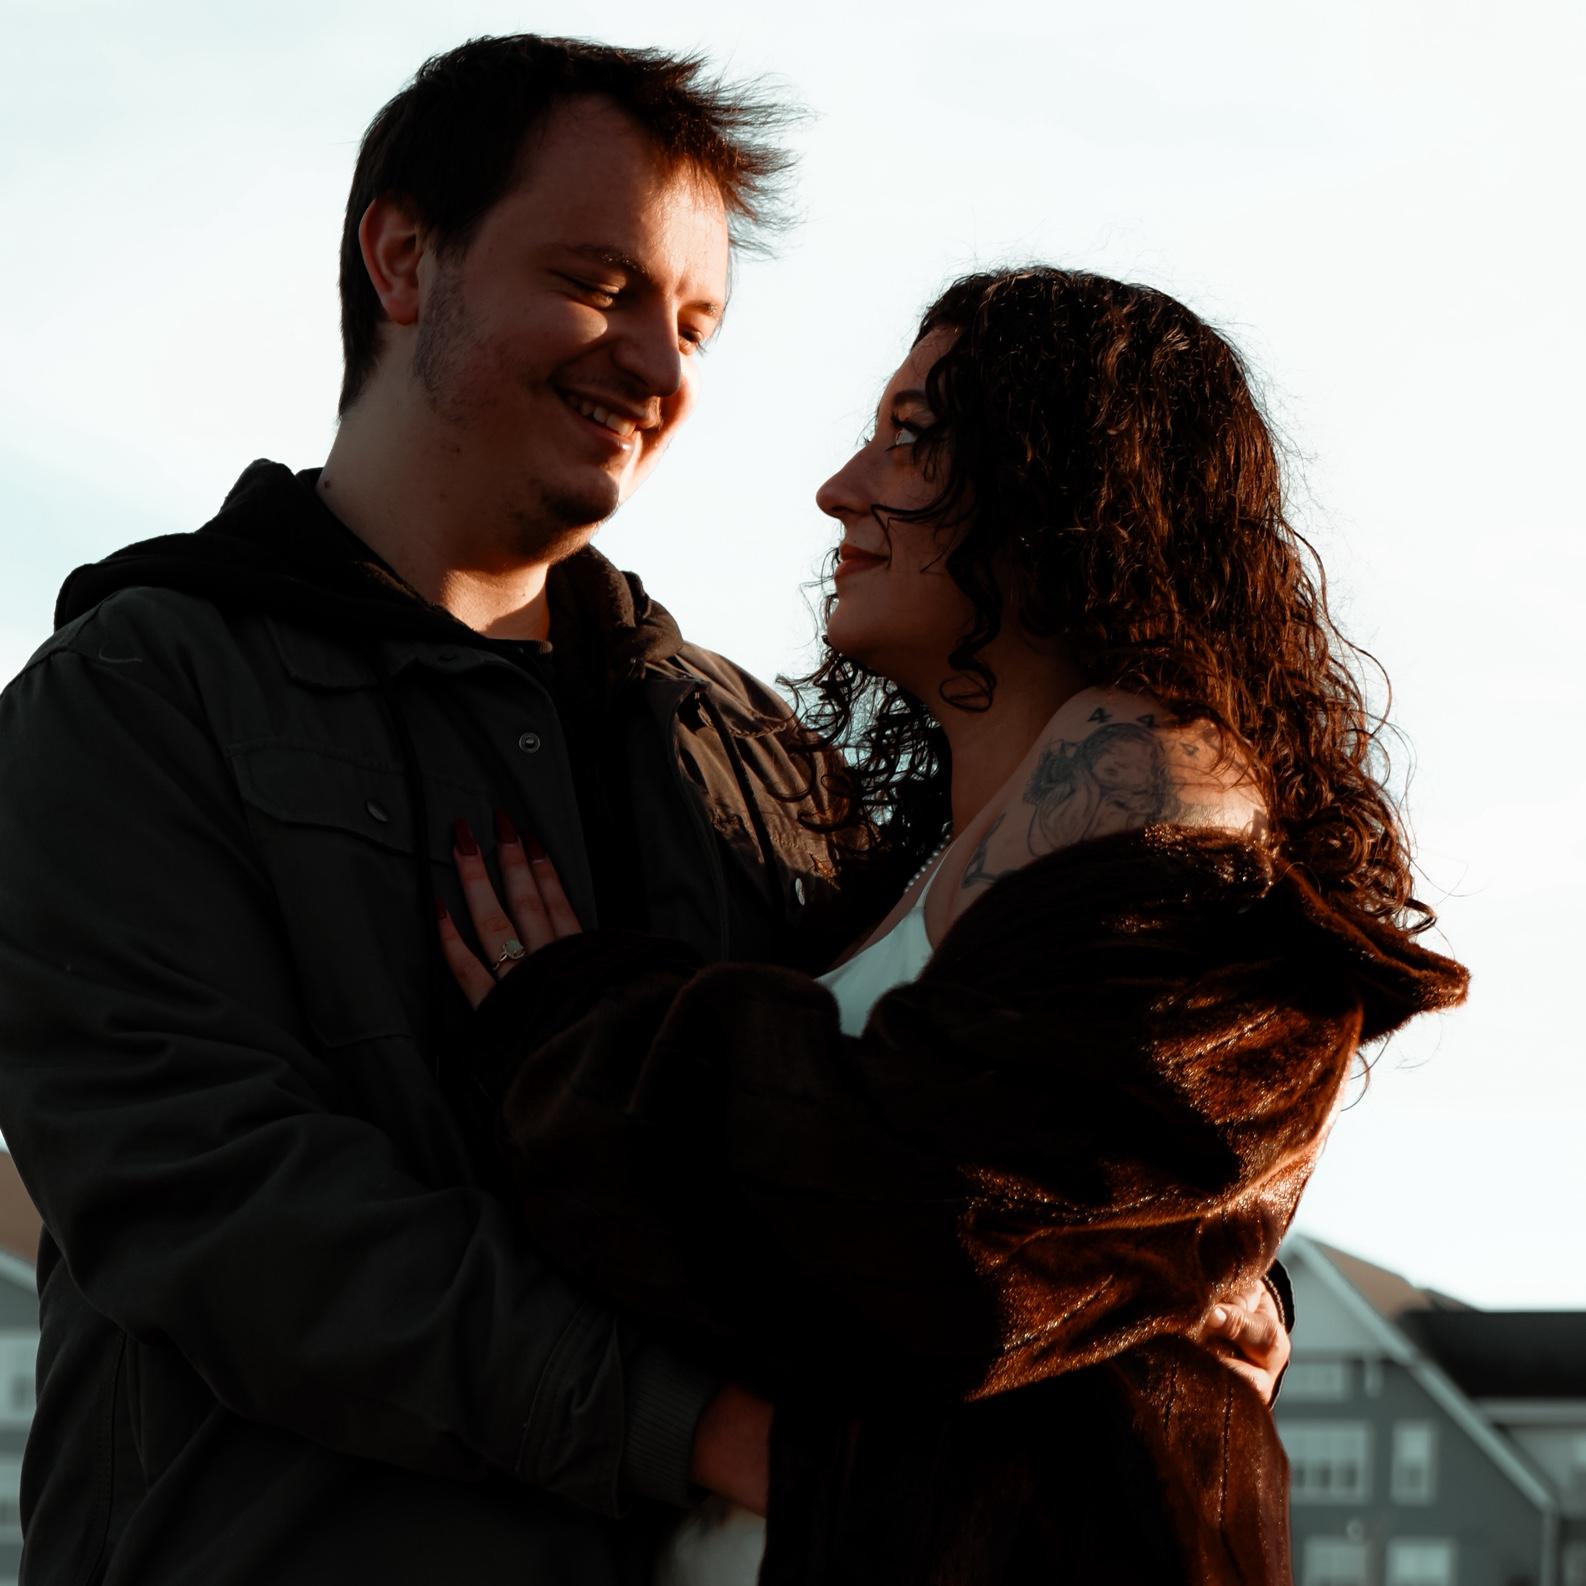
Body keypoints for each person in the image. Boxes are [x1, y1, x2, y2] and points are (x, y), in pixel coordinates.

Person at [0, 36, 1287, 1586]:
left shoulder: (756, 754)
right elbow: (214, 1199)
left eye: (693, 323)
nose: (660, 370)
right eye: (598, 285)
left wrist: (1166, 1267)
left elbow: (925, 1138)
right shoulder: (137, 695)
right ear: (402, 257)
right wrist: (700, 1427)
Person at [433, 267, 1470, 1584]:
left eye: (913, 439)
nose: (841, 488)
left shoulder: (1140, 763)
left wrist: (572, 1026)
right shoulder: (933, 855)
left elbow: (935, 1236)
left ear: (1065, 485)